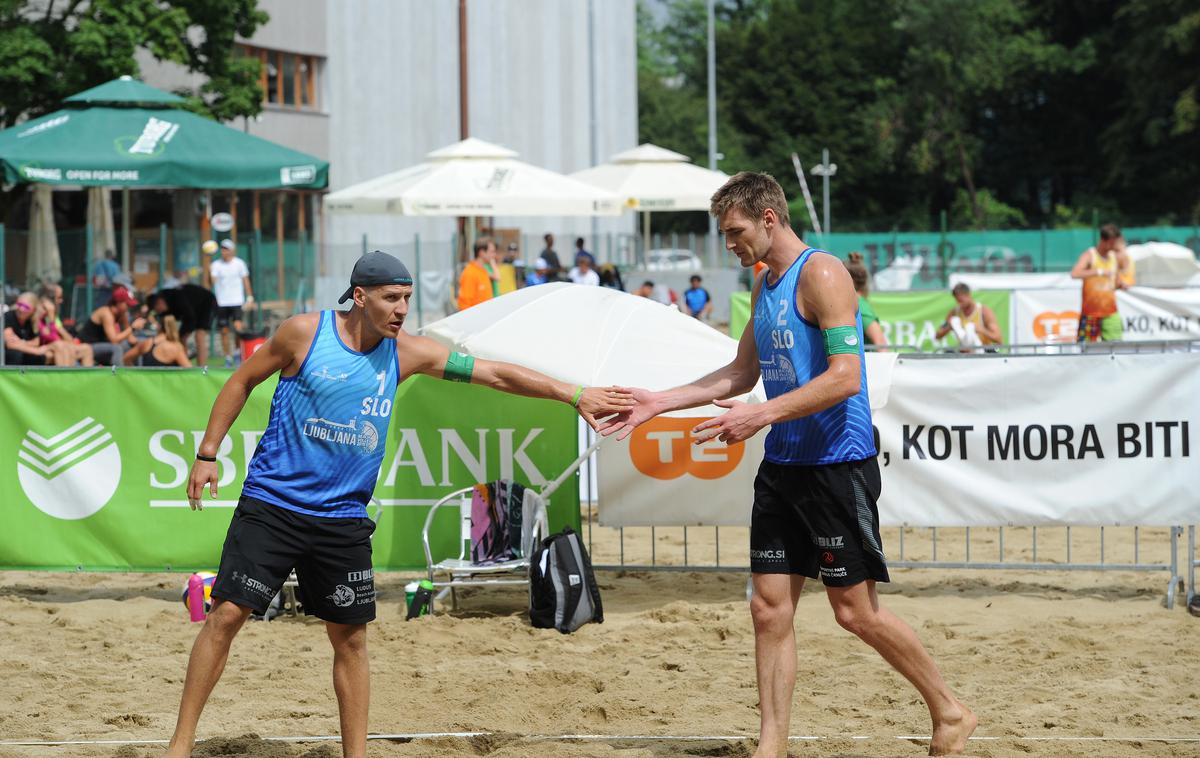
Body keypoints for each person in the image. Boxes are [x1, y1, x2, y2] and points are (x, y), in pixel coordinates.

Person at [165, 251, 633, 758]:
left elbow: (494, 374)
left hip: (341, 518)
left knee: (350, 640)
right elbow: (241, 380)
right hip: (273, 504)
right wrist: (207, 452)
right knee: (226, 615)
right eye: (391, 298)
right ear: (360, 296)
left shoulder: (410, 353)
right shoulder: (302, 333)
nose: (401, 309)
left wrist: (574, 394)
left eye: (407, 298)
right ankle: (180, 744)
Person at [600, 172, 976, 757]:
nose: (729, 244)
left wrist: (759, 417)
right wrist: (658, 402)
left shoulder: (822, 273)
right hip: (783, 465)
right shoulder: (764, 281)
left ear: (769, 218)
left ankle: (950, 710)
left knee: (854, 612)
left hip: (835, 462)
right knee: (767, 607)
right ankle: (770, 746)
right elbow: (740, 373)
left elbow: (846, 377)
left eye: (735, 232)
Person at [1070, 223, 1135, 342]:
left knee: (1116, 351)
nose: (1114, 246)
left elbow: (1118, 280)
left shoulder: (1114, 257)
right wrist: (1098, 271)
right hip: (1090, 314)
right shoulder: (1090, 255)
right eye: (1112, 242)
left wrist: (1122, 285)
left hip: (1111, 313)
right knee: (1086, 353)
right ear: (1104, 240)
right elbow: (1075, 273)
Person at [147, 283, 218, 366]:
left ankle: (202, 368)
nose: (159, 312)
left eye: (158, 310)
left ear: (159, 302)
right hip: (191, 310)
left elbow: (190, 319)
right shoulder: (165, 307)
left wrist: (180, 336)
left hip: (207, 303)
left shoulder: (178, 299)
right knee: (179, 338)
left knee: (199, 336)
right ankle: (181, 363)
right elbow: (163, 328)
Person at [209, 239, 253, 367]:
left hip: (236, 300)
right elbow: (212, 282)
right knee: (224, 331)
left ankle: (238, 353)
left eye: (226, 248)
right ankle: (228, 357)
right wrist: (209, 268)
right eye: (222, 249)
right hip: (221, 302)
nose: (224, 251)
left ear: (232, 250)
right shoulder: (216, 265)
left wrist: (250, 296)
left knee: (238, 327)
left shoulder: (239, 264)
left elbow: (245, 280)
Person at [76, 285, 147, 366]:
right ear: (118, 303)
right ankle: (118, 376)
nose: (129, 307)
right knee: (117, 348)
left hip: (104, 346)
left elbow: (130, 339)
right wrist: (133, 328)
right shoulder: (106, 313)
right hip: (88, 346)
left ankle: (138, 374)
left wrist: (142, 344)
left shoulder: (122, 314)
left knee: (139, 346)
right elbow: (114, 340)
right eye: (127, 304)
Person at [934, 283, 1002, 351]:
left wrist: (982, 330)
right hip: (964, 355)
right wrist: (949, 327)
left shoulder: (984, 312)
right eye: (957, 301)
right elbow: (937, 336)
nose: (959, 304)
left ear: (968, 295)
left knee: (970, 329)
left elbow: (998, 339)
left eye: (961, 301)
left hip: (982, 353)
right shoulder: (954, 313)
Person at [844, 252, 887, 349]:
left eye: (840, 277)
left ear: (851, 280)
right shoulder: (856, 303)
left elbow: (880, 343)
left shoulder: (860, 306)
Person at [36, 294, 94, 366]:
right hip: (51, 347)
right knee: (63, 346)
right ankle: (66, 376)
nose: (61, 301)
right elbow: (54, 338)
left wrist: (54, 322)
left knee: (86, 348)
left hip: (57, 344)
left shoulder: (50, 318)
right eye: (59, 297)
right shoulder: (41, 320)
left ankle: (86, 377)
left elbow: (68, 338)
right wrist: (51, 320)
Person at [3, 292, 49, 366]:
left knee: (40, 357)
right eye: (19, 305)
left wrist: (21, 342)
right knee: (16, 354)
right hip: (7, 354)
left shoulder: (33, 321)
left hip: (23, 352)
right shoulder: (8, 316)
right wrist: (36, 351)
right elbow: (10, 344)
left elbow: (36, 342)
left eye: (26, 307)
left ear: (33, 310)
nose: (21, 309)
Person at [457, 237, 499, 310]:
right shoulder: (470, 273)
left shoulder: (484, 271)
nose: (494, 255)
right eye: (492, 252)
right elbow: (464, 305)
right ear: (482, 253)